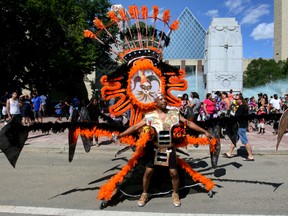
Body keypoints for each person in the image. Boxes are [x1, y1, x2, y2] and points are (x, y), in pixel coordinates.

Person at [117, 92, 212, 207]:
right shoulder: (149, 116)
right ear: (155, 103)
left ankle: (175, 193)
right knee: (148, 172)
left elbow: (189, 123)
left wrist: (204, 131)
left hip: (169, 148)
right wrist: (121, 135)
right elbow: (136, 127)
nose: (164, 100)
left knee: (174, 172)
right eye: (161, 99)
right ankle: (144, 193)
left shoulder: (174, 113)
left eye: (165, 99)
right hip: (154, 149)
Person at [223, 95, 254, 161]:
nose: (235, 101)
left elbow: (237, 116)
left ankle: (250, 156)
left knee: (245, 141)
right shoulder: (245, 106)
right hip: (241, 125)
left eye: (237, 99)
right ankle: (229, 153)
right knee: (235, 139)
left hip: (241, 126)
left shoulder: (242, 107)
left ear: (240, 99)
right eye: (235, 99)